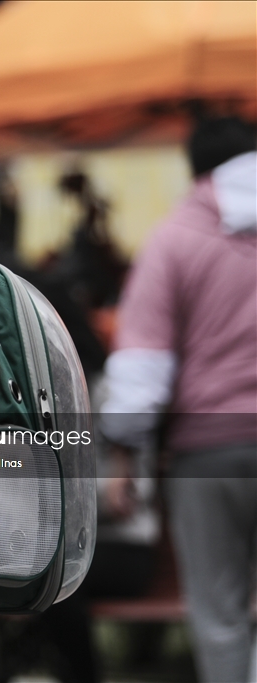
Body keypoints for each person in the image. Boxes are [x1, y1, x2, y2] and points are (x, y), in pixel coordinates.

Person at [100, 116, 257, 683]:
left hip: (207, 454)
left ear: (195, 171)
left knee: (219, 612)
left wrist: (122, 462)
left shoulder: (174, 240)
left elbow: (142, 367)